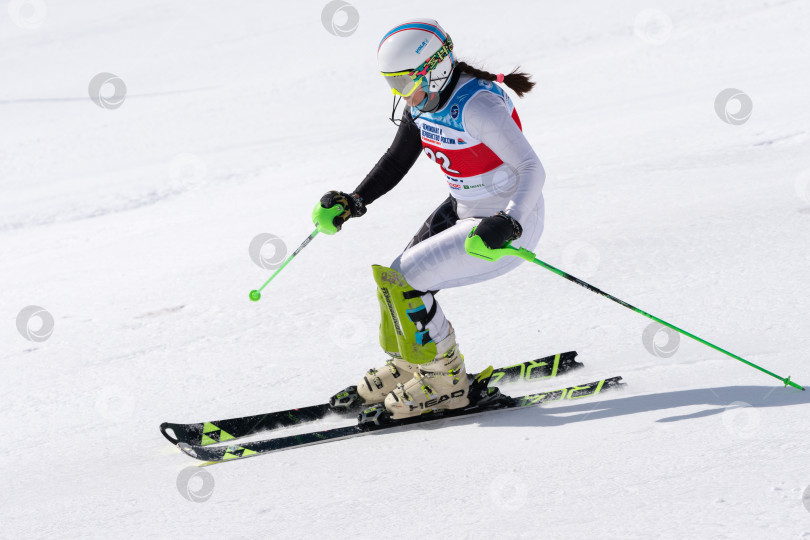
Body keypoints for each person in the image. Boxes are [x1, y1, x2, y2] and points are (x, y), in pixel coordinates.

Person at [312, 18, 545, 420]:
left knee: (407, 280)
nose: (402, 93)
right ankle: (413, 362)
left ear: (435, 68)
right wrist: (354, 201)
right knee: (394, 279)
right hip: (465, 208)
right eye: (393, 84)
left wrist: (511, 221)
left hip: (504, 226)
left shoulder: (478, 106)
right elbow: (397, 160)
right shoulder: (424, 104)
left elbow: (532, 168)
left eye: (405, 82)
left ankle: (446, 382)